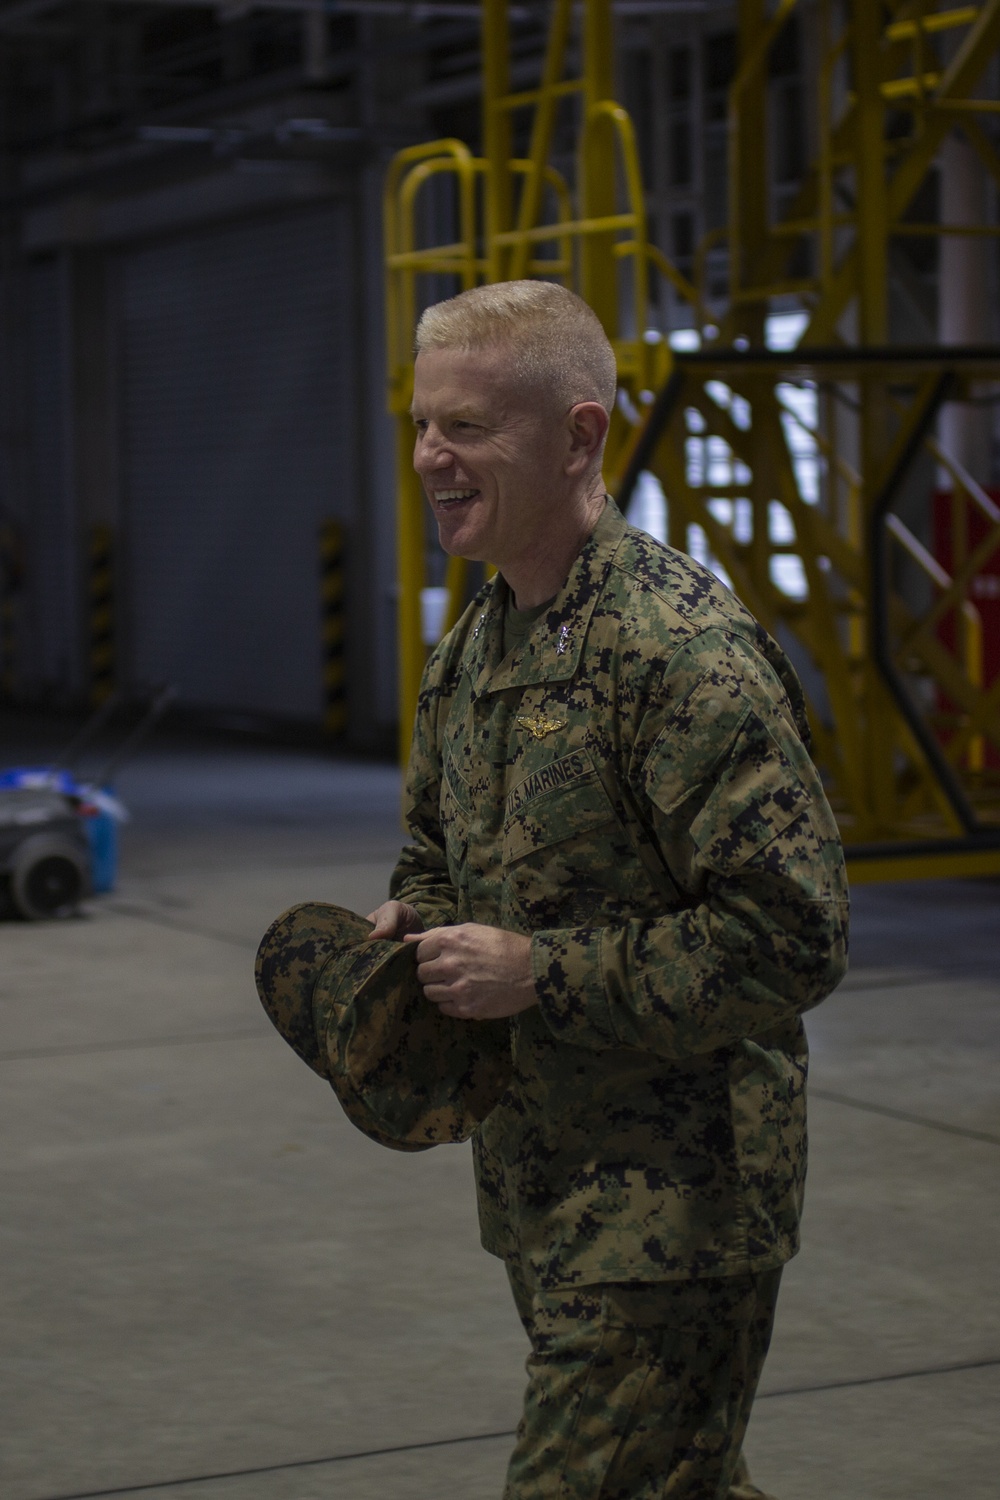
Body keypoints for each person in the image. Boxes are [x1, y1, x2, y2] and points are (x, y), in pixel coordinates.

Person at [367, 280, 849, 1500]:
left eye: (468, 426)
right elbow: (434, 844)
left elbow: (792, 935)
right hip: (544, 1178)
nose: (432, 457)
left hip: (676, 1207)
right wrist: (411, 917)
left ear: (578, 436)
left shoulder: (674, 651)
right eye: (424, 424)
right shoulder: (478, 644)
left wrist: (541, 974)